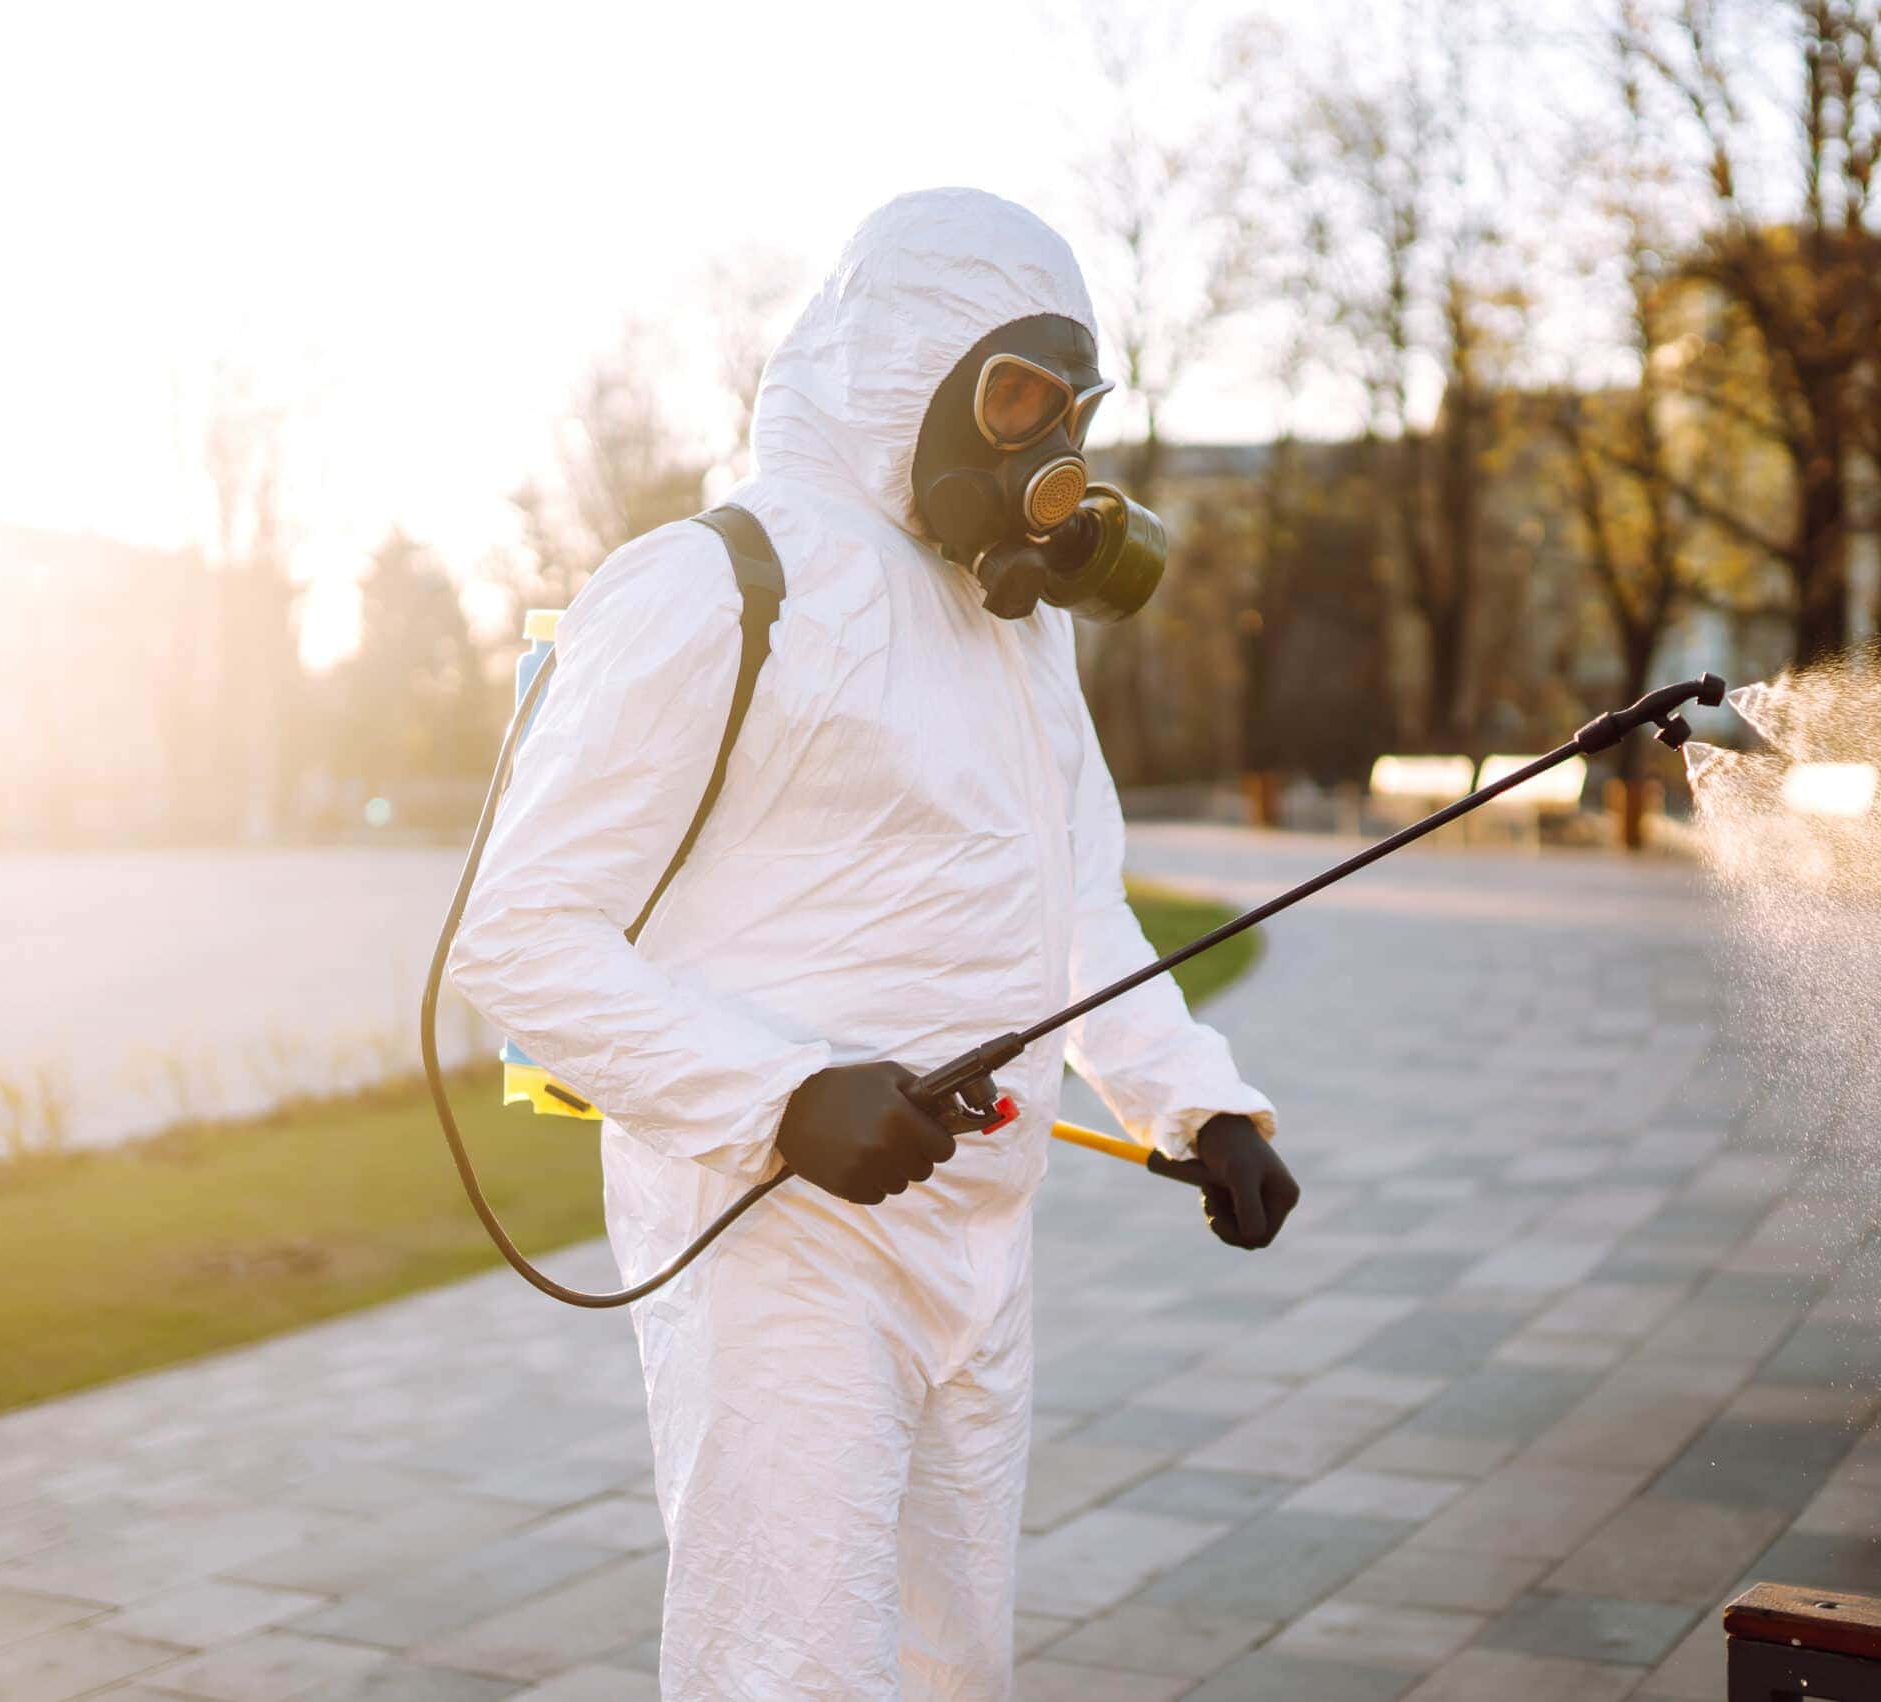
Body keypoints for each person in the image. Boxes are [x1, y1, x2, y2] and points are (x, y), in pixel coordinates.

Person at [448, 187, 1298, 1700]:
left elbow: (1075, 899)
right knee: (788, 1663)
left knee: (954, 1664)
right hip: (779, 1231)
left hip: (979, 1229)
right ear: (898, 366)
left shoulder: (1017, 629)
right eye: (1013, 392)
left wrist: (1197, 1097)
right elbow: (518, 933)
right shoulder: (710, 583)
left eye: (1066, 404)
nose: (1040, 441)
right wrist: (779, 1095)